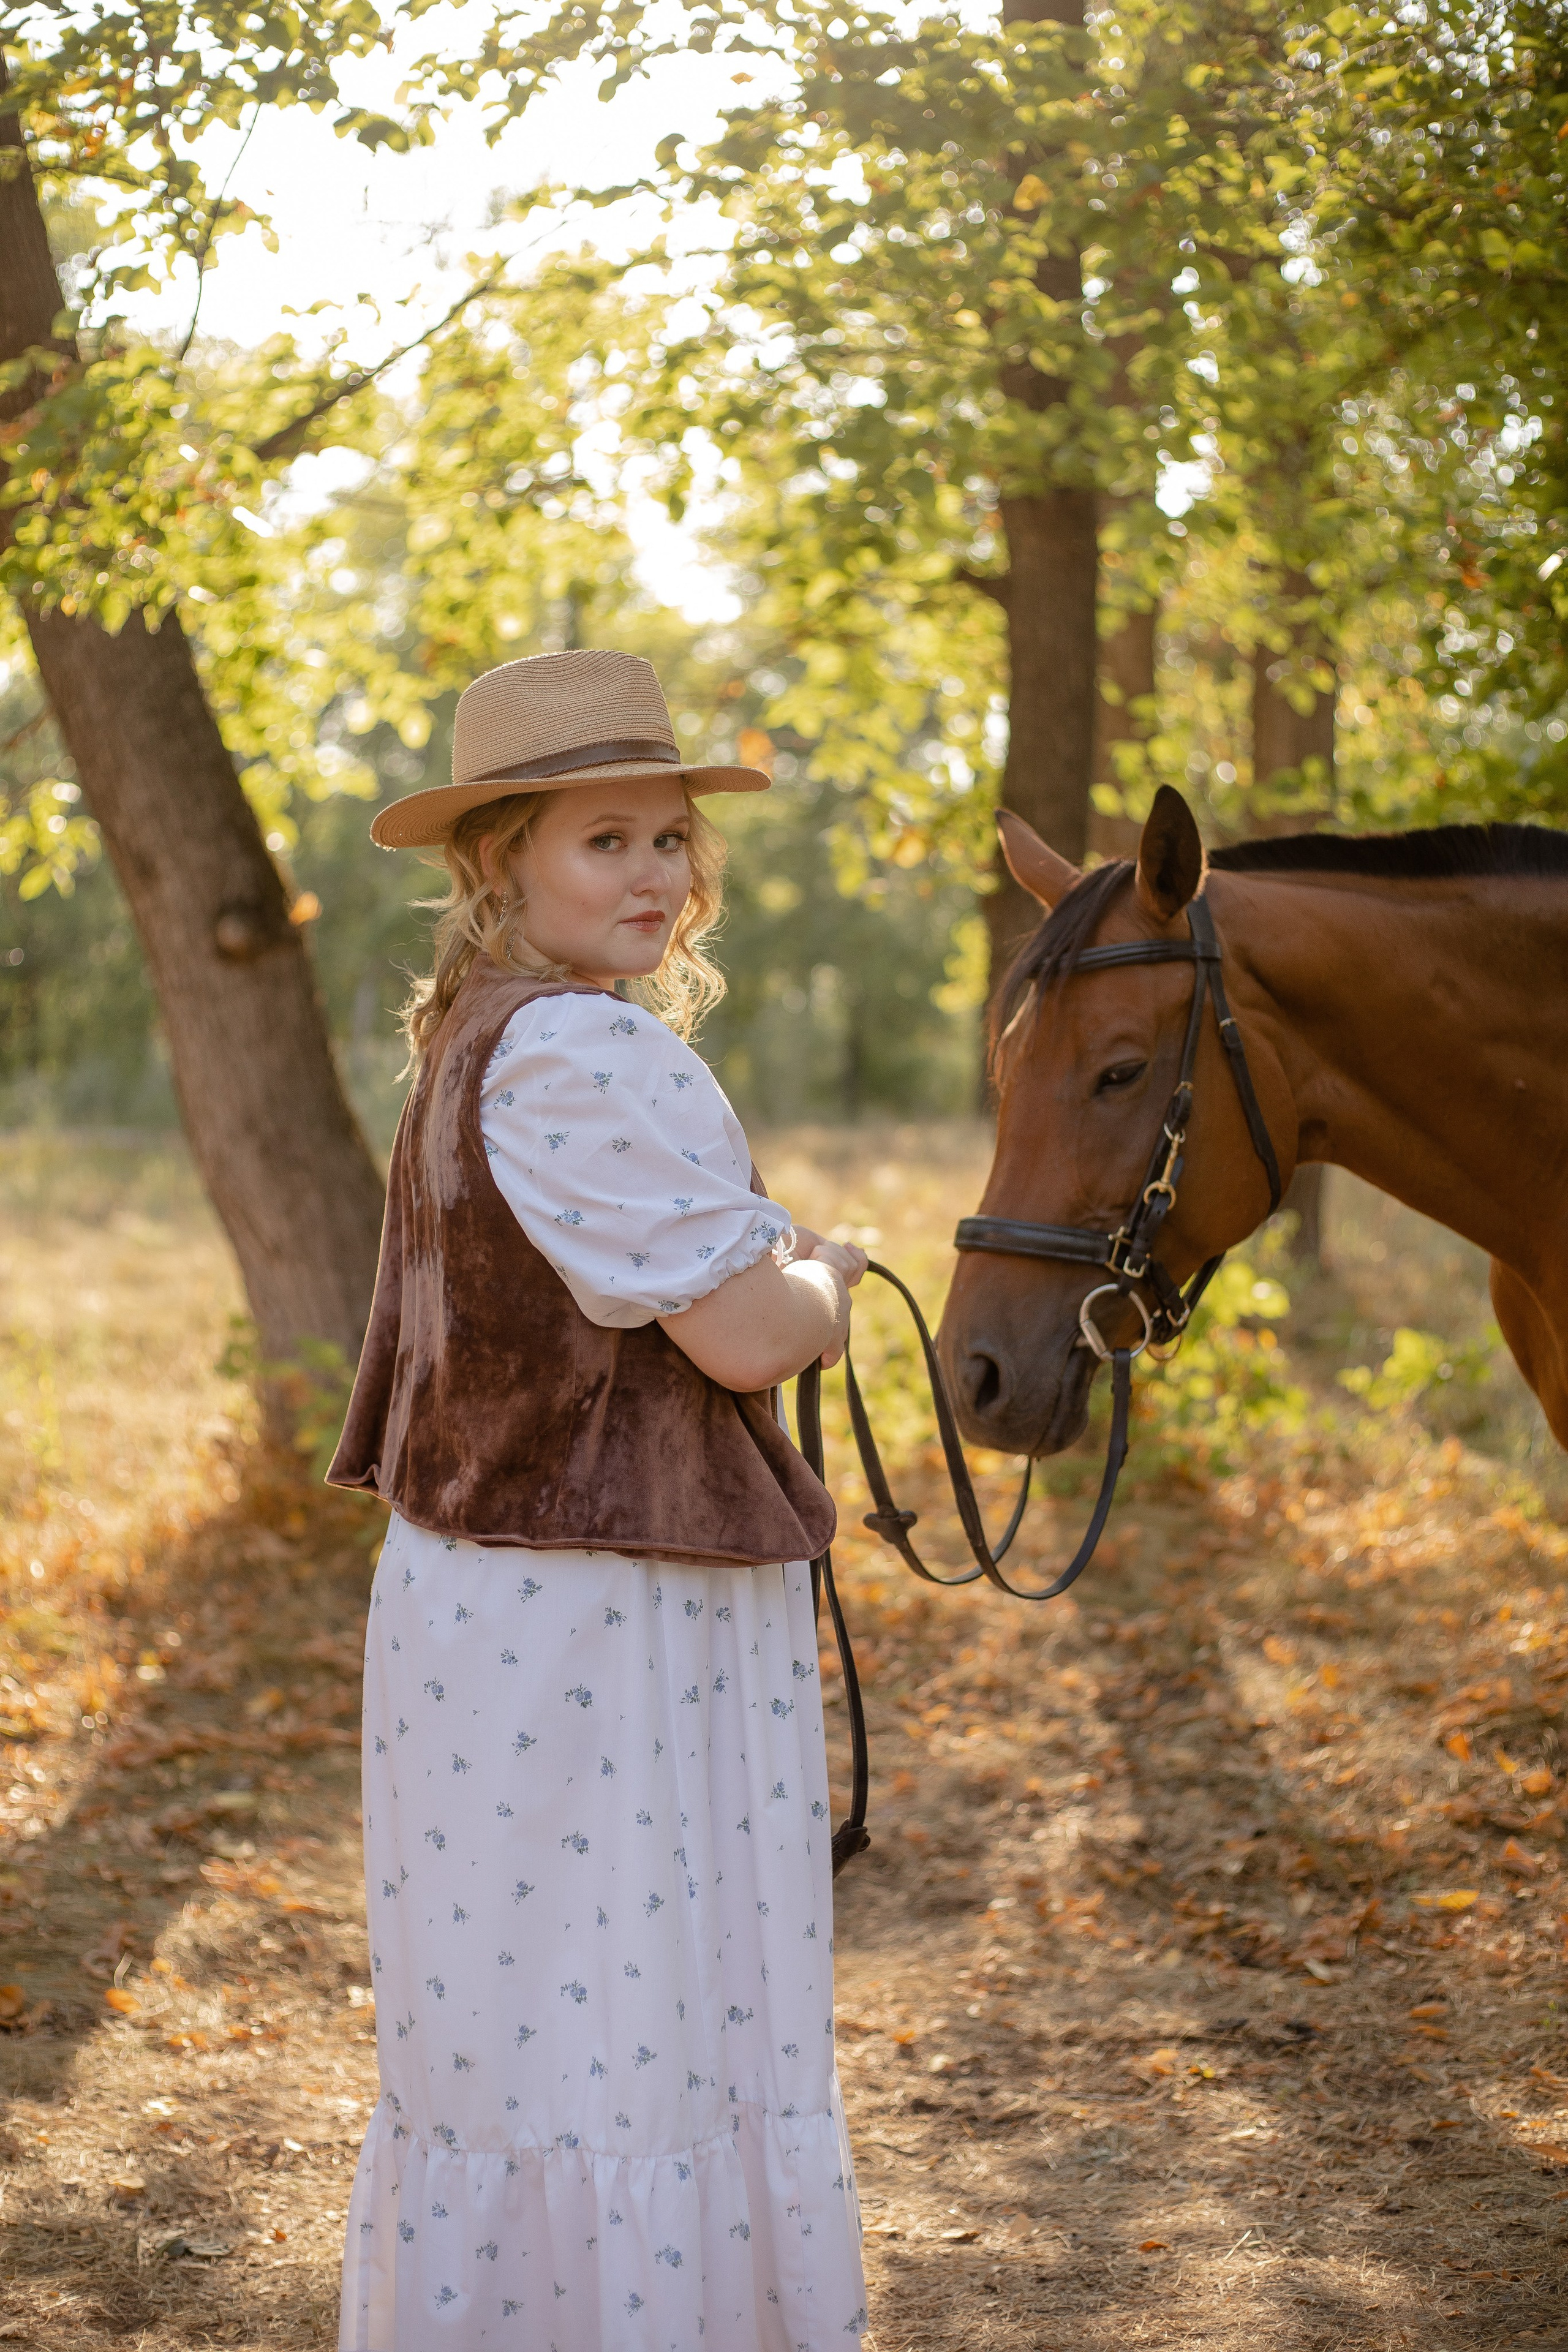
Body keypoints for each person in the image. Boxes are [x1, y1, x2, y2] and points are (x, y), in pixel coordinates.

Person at [328, 647, 870, 2350]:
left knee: (537, 2022)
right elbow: (744, 1337)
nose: (652, 875)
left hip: (506, 1597)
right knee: (624, 2023)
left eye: (669, 840)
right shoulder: (579, 1051)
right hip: (602, 1616)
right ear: (504, 865)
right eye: (605, 841)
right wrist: (835, 1280)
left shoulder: (481, 1041)